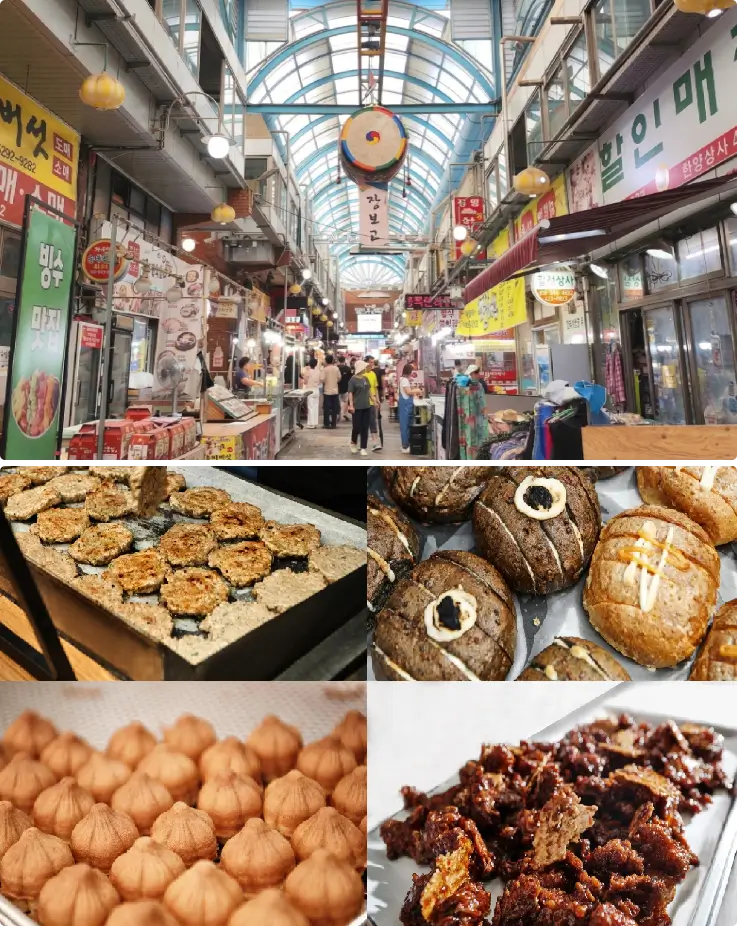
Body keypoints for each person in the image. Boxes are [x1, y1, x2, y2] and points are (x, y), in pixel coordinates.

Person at [346, 359, 372, 456]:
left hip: (366, 406)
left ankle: (363, 447)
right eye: (364, 367)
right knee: (357, 426)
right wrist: (351, 404)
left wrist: (374, 399)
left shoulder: (365, 379)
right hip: (357, 407)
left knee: (365, 427)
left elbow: (369, 390)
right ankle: (353, 442)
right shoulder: (352, 380)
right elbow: (350, 393)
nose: (365, 369)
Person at [398, 362, 423, 454]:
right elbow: (408, 392)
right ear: (409, 371)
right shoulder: (404, 380)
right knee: (405, 427)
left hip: (406, 406)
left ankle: (406, 444)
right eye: (412, 371)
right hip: (405, 407)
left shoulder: (403, 379)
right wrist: (416, 390)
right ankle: (405, 446)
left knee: (407, 426)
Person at [363, 356, 382, 452]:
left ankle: (375, 443)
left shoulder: (373, 374)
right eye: (370, 362)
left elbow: (375, 388)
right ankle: (358, 442)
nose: (372, 364)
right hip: (362, 402)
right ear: (365, 363)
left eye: (373, 362)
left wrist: (377, 400)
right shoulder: (361, 374)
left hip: (372, 402)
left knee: (372, 422)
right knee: (362, 424)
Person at [321, 354, 341, 429]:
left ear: (326, 361)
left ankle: (326, 424)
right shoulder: (336, 368)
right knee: (334, 408)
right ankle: (334, 424)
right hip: (335, 391)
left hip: (327, 391)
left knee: (326, 408)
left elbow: (322, 379)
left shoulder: (324, 369)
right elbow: (339, 378)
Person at [301, 357, 321, 428]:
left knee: (310, 407)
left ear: (310, 364)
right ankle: (315, 423)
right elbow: (320, 381)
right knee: (315, 407)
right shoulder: (318, 371)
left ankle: (311, 424)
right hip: (316, 390)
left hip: (310, 390)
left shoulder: (308, 371)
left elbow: (305, 381)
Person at [337, 353, 352, 421]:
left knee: (339, 401)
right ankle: (344, 413)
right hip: (346, 387)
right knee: (346, 401)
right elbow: (350, 379)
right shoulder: (348, 369)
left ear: (338, 360)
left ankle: (340, 414)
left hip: (337, 387)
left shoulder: (336, 368)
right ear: (344, 360)